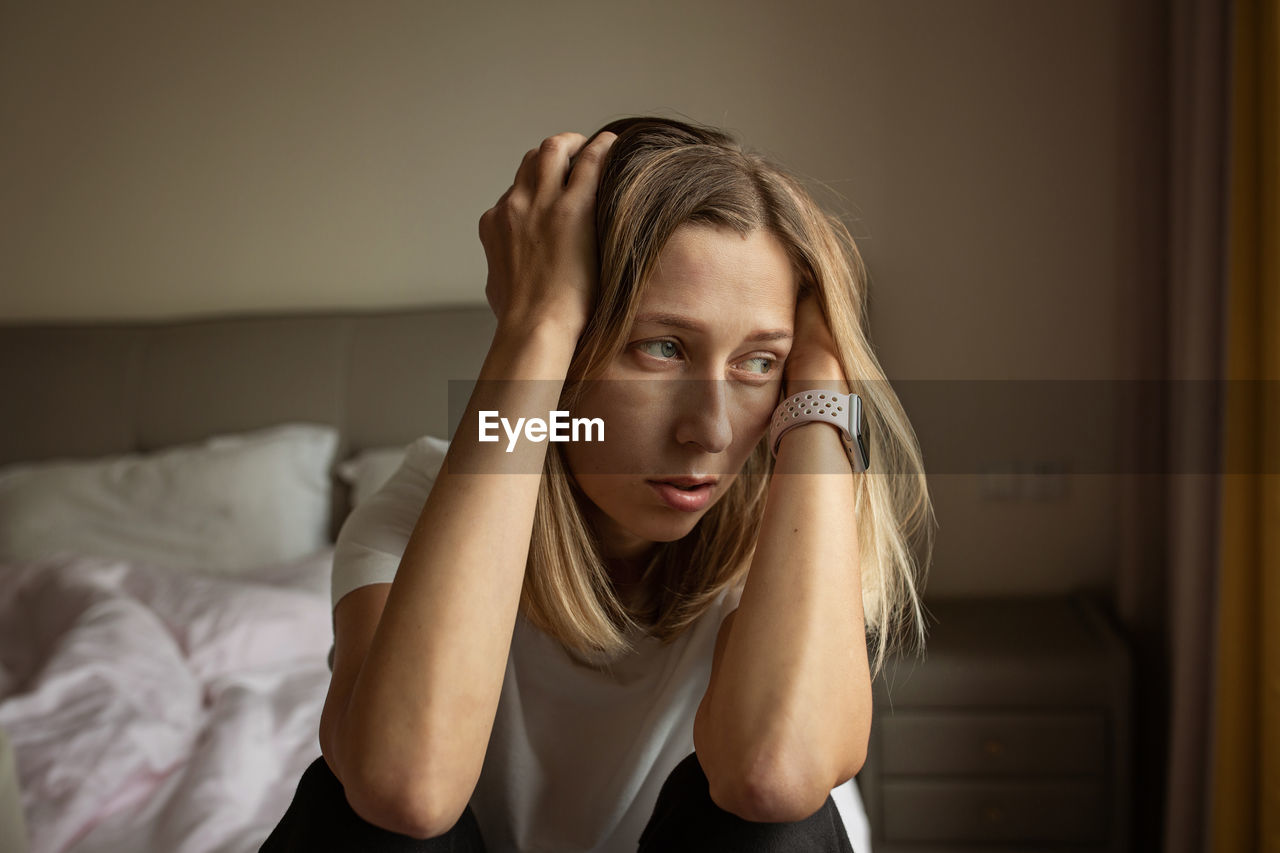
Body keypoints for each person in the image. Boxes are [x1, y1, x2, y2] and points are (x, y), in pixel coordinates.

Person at [261, 116, 935, 852]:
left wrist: (825, 392)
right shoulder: (419, 505)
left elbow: (774, 773)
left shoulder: (791, 528)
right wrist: (535, 324)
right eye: (662, 347)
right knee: (355, 803)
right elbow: (405, 790)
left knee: (779, 827)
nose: (709, 430)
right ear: (571, 346)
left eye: (758, 362)